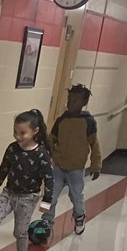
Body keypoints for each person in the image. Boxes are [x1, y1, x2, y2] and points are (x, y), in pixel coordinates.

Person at [0, 109, 54, 251]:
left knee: (20, 231)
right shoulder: (12, 149)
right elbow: (3, 170)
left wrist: (46, 202)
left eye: (22, 133)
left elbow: (49, 179)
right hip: (9, 193)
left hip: (28, 197)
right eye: (15, 132)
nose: (18, 136)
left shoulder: (42, 154)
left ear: (35, 131)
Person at [47, 83, 101, 235]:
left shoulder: (88, 121)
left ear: (84, 103)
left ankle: (79, 217)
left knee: (76, 197)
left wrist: (96, 165)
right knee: (49, 197)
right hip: (57, 166)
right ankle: (46, 222)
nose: (71, 104)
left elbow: (94, 144)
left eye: (75, 101)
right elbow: (51, 140)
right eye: (69, 100)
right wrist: (46, 158)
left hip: (76, 169)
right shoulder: (61, 120)